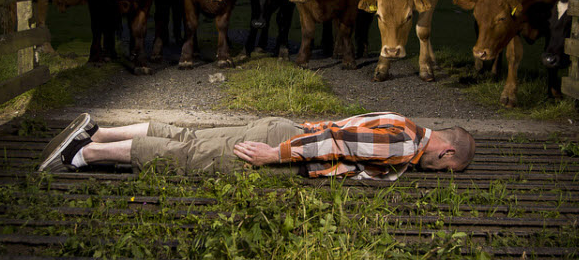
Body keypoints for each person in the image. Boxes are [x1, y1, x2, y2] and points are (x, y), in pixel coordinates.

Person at [38, 112, 475, 180]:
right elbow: (334, 140)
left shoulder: (404, 123)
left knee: (189, 139)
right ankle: (86, 155)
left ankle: (100, 134)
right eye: (444, 169)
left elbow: (346, 130)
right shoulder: (404, 147)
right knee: (190, 158)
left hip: (282, 126)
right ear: (447, 152)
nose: (434, 172)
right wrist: (276, 155)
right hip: (283, 143)